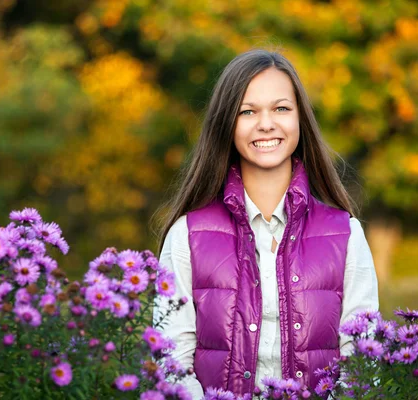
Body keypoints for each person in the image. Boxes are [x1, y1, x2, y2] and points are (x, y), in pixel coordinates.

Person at [154, 50, 379, 398]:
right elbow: (170, 364)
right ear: (226, 124)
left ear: (300, 119)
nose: (266, 123)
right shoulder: (187, 236)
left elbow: (364, 365)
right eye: (248, 111)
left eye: (281, 108)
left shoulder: (346, 235)